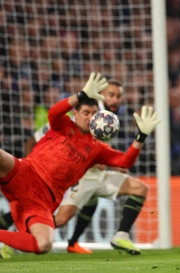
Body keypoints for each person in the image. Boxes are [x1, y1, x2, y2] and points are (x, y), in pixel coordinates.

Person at [0, 73, 160, 257]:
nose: (90, 118)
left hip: (44, 199)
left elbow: (125, 162)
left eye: (94, 114)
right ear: (75, 114)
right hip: (25, 172)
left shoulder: (97, 149)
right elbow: (53, 112)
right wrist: (81, 94)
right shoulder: (63, 124)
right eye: (86, 113)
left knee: (44, 244)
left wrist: (141, 138)